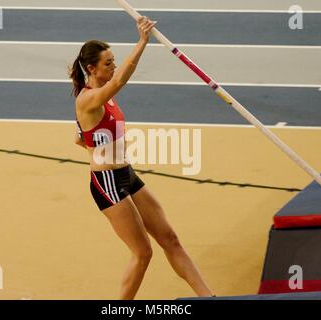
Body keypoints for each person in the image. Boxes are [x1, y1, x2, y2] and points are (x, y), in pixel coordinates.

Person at [68, 16, 214, 300]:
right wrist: (143, 41)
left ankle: (209, 297)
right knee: (143, 252)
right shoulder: (89, 98)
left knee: (170, 239)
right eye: (107, 63)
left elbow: (78, 138)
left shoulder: (102, 97)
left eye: (113, 61)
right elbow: (121, 79)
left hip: (127, 175)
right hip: (106, 182)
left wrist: (99, 147)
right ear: (91, 68)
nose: (113, 67)